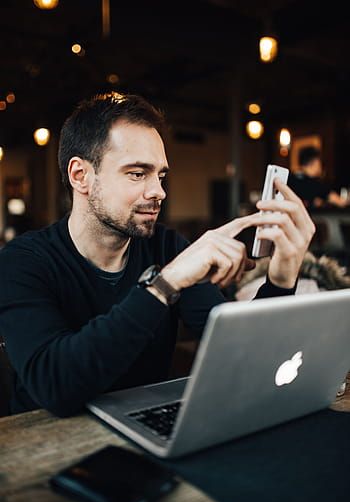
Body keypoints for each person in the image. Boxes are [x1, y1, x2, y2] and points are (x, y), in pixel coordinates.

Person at [0, 92, 315, 417]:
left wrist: (281, 278)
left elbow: (243, 356)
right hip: (48, 447)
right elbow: (55, 386)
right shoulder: (23, 261)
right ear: (81, 176)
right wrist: (166, 284)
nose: (159, 192)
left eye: (160, 176)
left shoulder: (167, 247)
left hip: (146, 430)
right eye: (137, 174)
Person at [288, 145, 348, 210]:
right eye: (320, 163)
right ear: (315, 162)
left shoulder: (289, 179)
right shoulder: (316, 185)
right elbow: (340, 202)